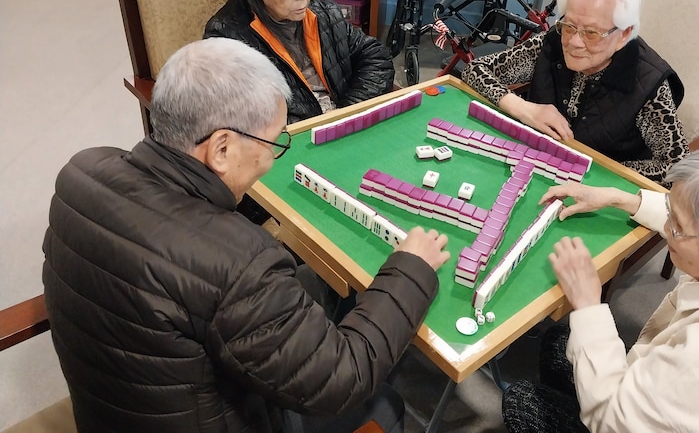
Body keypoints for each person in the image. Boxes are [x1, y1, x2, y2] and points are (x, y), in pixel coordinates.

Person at [42, 37, 450, 432]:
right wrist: (411, 269)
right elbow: (343, 379)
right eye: (272, 143)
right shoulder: (238, 262)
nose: (271, 161)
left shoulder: (81, 174)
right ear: (221, 148)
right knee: (384, 403)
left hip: (108, 412)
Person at [502, 139, 699, 432]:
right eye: (671, 213)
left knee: (523, 401)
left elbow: (612, 420)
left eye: (677, 226)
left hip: (651, 413)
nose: (668, 230)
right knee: (561, 341)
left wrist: (588, 304)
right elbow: (693, 216)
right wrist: (618, 198)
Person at [462, 0, 689, 184]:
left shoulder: (647, 81)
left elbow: (677, 168)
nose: (574, 42)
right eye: (569, 26)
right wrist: (523, 108)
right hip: (537, 165)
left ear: (623, 34)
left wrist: (599, 171)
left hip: (600, 191)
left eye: (591, 33)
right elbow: (476, 70)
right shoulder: (551, 42)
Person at [204, 0, 395, 125]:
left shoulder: (323, 14)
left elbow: (376, 57)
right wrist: (315, 127)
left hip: (340, 124)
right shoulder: (227, 40)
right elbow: (243, 117)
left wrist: (346, 112)